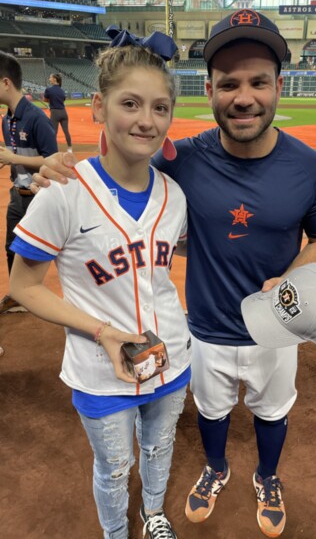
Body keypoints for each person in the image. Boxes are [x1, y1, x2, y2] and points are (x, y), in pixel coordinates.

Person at [32, 10, 316, 538]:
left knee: (272, 413)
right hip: (203, 330)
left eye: (258, 82)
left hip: (276, 329)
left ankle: (268, 477)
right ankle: (216, 469)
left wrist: (294, 277)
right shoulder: (183, 160)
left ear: (278, 86)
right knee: (213, 412)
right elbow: (121, 163)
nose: (244, 97)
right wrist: (58, 169)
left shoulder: (314, 169)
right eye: (229, 84)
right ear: (211, 89)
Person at [9, 28, 191, 539]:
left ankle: (153, 514)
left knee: (158, 447)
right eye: (130, 103)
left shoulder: (175, 196)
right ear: (98, 105)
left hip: (171, 356)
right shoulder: (64, 191)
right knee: (113, 468)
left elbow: (157, 277)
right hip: (99, 369)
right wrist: (102, 330)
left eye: (160, 108)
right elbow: (22, 286)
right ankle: (116, 534)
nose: (147, 120)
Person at [0, 50, 58, 314]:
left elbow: (53, 159)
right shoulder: (6, 119)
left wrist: (12, 156)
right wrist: (10, 159)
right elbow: (18, 156)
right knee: (12, 247)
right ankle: (18, 295)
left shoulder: (35, 117)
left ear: (5, 82)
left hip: (38, 196)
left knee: (44, 252)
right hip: (17, 194)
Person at [44, 73, 72, 152]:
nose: (49, 79)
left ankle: (53, 150)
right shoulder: (62, 91)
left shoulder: (48, 90)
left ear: (54, 79)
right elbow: (63, 100)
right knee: (66, 131)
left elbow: (45, 100)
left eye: (50, 77)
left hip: (55, 112)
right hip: (63, 112)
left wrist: (51, 101)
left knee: (53, 132)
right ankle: (70, 149)